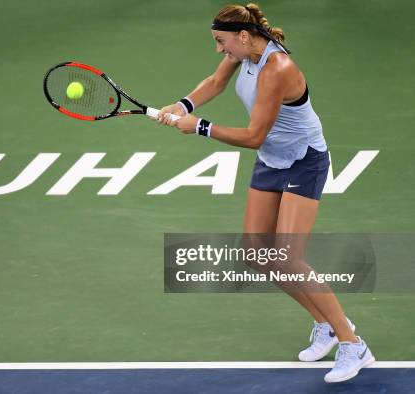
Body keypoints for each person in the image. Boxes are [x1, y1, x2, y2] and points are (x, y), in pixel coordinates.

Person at [156, 3, 374, 383]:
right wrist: (183, 104)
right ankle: (324, 323)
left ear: (243, 36)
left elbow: (255, 135)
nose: (219, 49)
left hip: (303, 162)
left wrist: (200, 126)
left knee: (289, 258)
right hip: (272, 160)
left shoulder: (278, 69)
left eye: (222, 42)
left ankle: (353, 343)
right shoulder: (243, 52)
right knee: (256, 253)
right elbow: (216, 81)